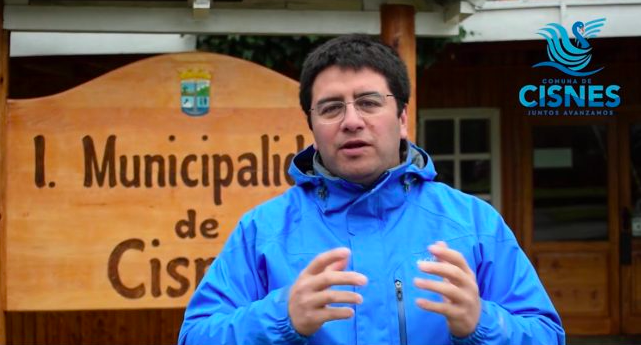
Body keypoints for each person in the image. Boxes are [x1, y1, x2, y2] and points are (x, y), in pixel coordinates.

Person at [178, 34, 565, 345]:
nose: (351, 121)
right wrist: (280, 317)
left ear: (402, 119)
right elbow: (194, 336)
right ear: (311, 126)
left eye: (368, 102)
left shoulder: (475, 223)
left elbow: (548, 335)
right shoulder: (262, 231)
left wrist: (483, 324)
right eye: (330, 108)